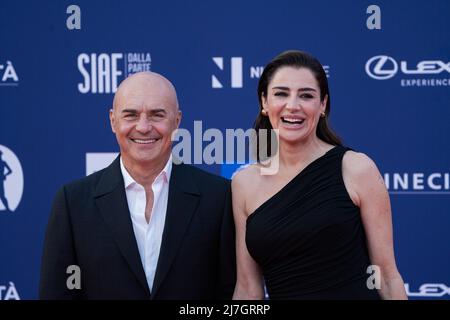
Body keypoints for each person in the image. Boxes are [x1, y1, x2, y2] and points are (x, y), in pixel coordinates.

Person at [39, 71, 236, 299]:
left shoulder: (218, 197)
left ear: (177, 121)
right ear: (113, 121)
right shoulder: (73, 203)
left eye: (156, 115)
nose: (143, 127)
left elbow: (230, 295)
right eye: (131, 115)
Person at [232, 50, 407, 300]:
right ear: (264, 102)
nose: (293, 105)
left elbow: (387, 276)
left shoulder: (356, 168)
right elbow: (248, 288)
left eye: (306, 95)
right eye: (281, 93)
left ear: (322, 105)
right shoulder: (244, 183)